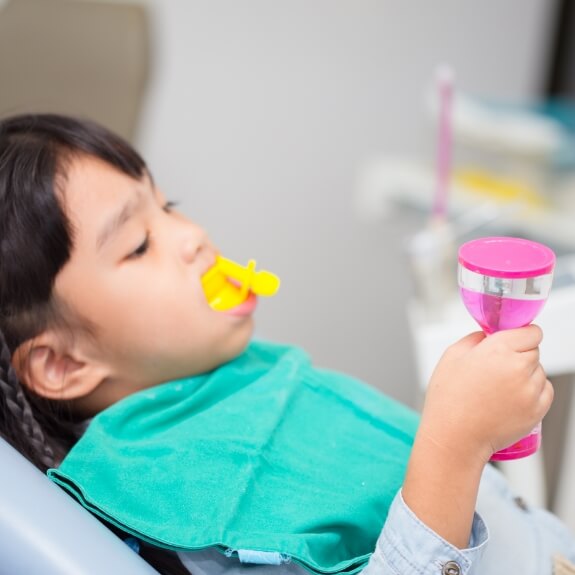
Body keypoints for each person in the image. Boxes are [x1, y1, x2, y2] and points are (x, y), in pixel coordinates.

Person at [0, 113, 573, 575]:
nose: (194, 236)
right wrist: (454, 445)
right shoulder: (188, 503)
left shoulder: (237, 380)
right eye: (139, 244)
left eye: (168, 205)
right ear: (62, 362)